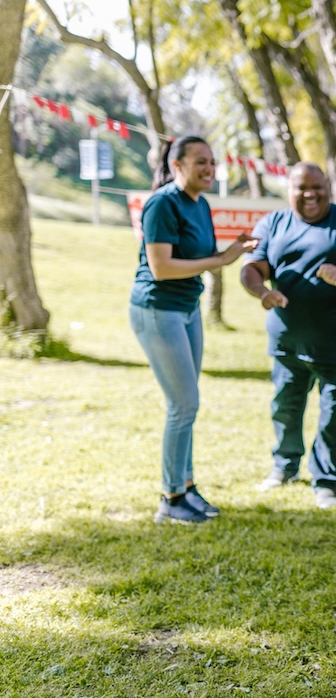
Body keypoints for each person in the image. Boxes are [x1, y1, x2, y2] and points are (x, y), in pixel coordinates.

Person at [241, 162, 336, 510]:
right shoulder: (273, 224)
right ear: (288, 189)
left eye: (317, 187)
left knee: (335, 412)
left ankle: (327, 480)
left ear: (328, 187)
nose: (310, 194)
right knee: (285, 407)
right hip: (287, 341)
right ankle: (284, 467)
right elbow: (252, 268)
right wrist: (262, 292)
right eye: (301, 187)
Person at [130, 135, 258, 524]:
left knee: (188, 403)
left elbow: (202, 257)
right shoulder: (162, 204)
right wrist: (221, 258)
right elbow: (162, 268)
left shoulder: (201, 204)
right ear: (177, 166)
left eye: (212, 162)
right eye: (200, 161)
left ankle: (186, 486)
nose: (209, 168)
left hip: (188, 309)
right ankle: (170, 499)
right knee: (182, 405)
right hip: (158, 310)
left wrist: (226, 253)